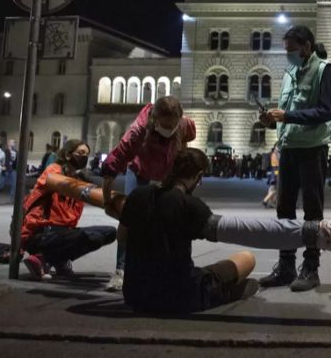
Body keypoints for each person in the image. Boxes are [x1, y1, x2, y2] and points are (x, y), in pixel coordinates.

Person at [121, 147, 258, 314]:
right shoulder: (191, 205)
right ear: (198, 176)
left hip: (135, 294)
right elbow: (219, 230)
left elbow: (121, 237)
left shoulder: (137, 195)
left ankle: (222, 289)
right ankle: (223, 292)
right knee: (247, 258)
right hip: (179, 297)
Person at [258, 25, 331, 291]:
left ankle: (311, 269)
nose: (288, 54)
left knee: (312, 212)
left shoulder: (325, 70)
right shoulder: (290, 72)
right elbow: (287, 111)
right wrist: (271, 121)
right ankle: (286, 266)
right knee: (284, 210)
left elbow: (326, 111)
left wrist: (287, 116)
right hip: (289, 148)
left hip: (313, 149)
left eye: (292, 49)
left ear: (306, 46)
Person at [99, 96, 197, 291]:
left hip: (168, 173)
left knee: (171, 218)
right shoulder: (138, 131)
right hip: (140, 171)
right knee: (130, 216)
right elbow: (116, 160)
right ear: (155, 119)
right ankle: (121, 270)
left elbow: (186, 143)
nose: (169, 131)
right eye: (164, 125)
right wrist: (107, 200)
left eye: (173, 126)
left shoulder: (186, 126)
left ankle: (169, 267)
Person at [21, 140, 116, 280]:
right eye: (80, 153)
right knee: (93, 238)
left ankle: (58, 259)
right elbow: (55, 182)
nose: (84, 157)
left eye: (87, 154)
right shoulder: (54, 170)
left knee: (110, 232)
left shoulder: (78, 179)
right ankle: (42, 258)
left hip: (62, 232)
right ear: (67, 155)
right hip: (41, 232)